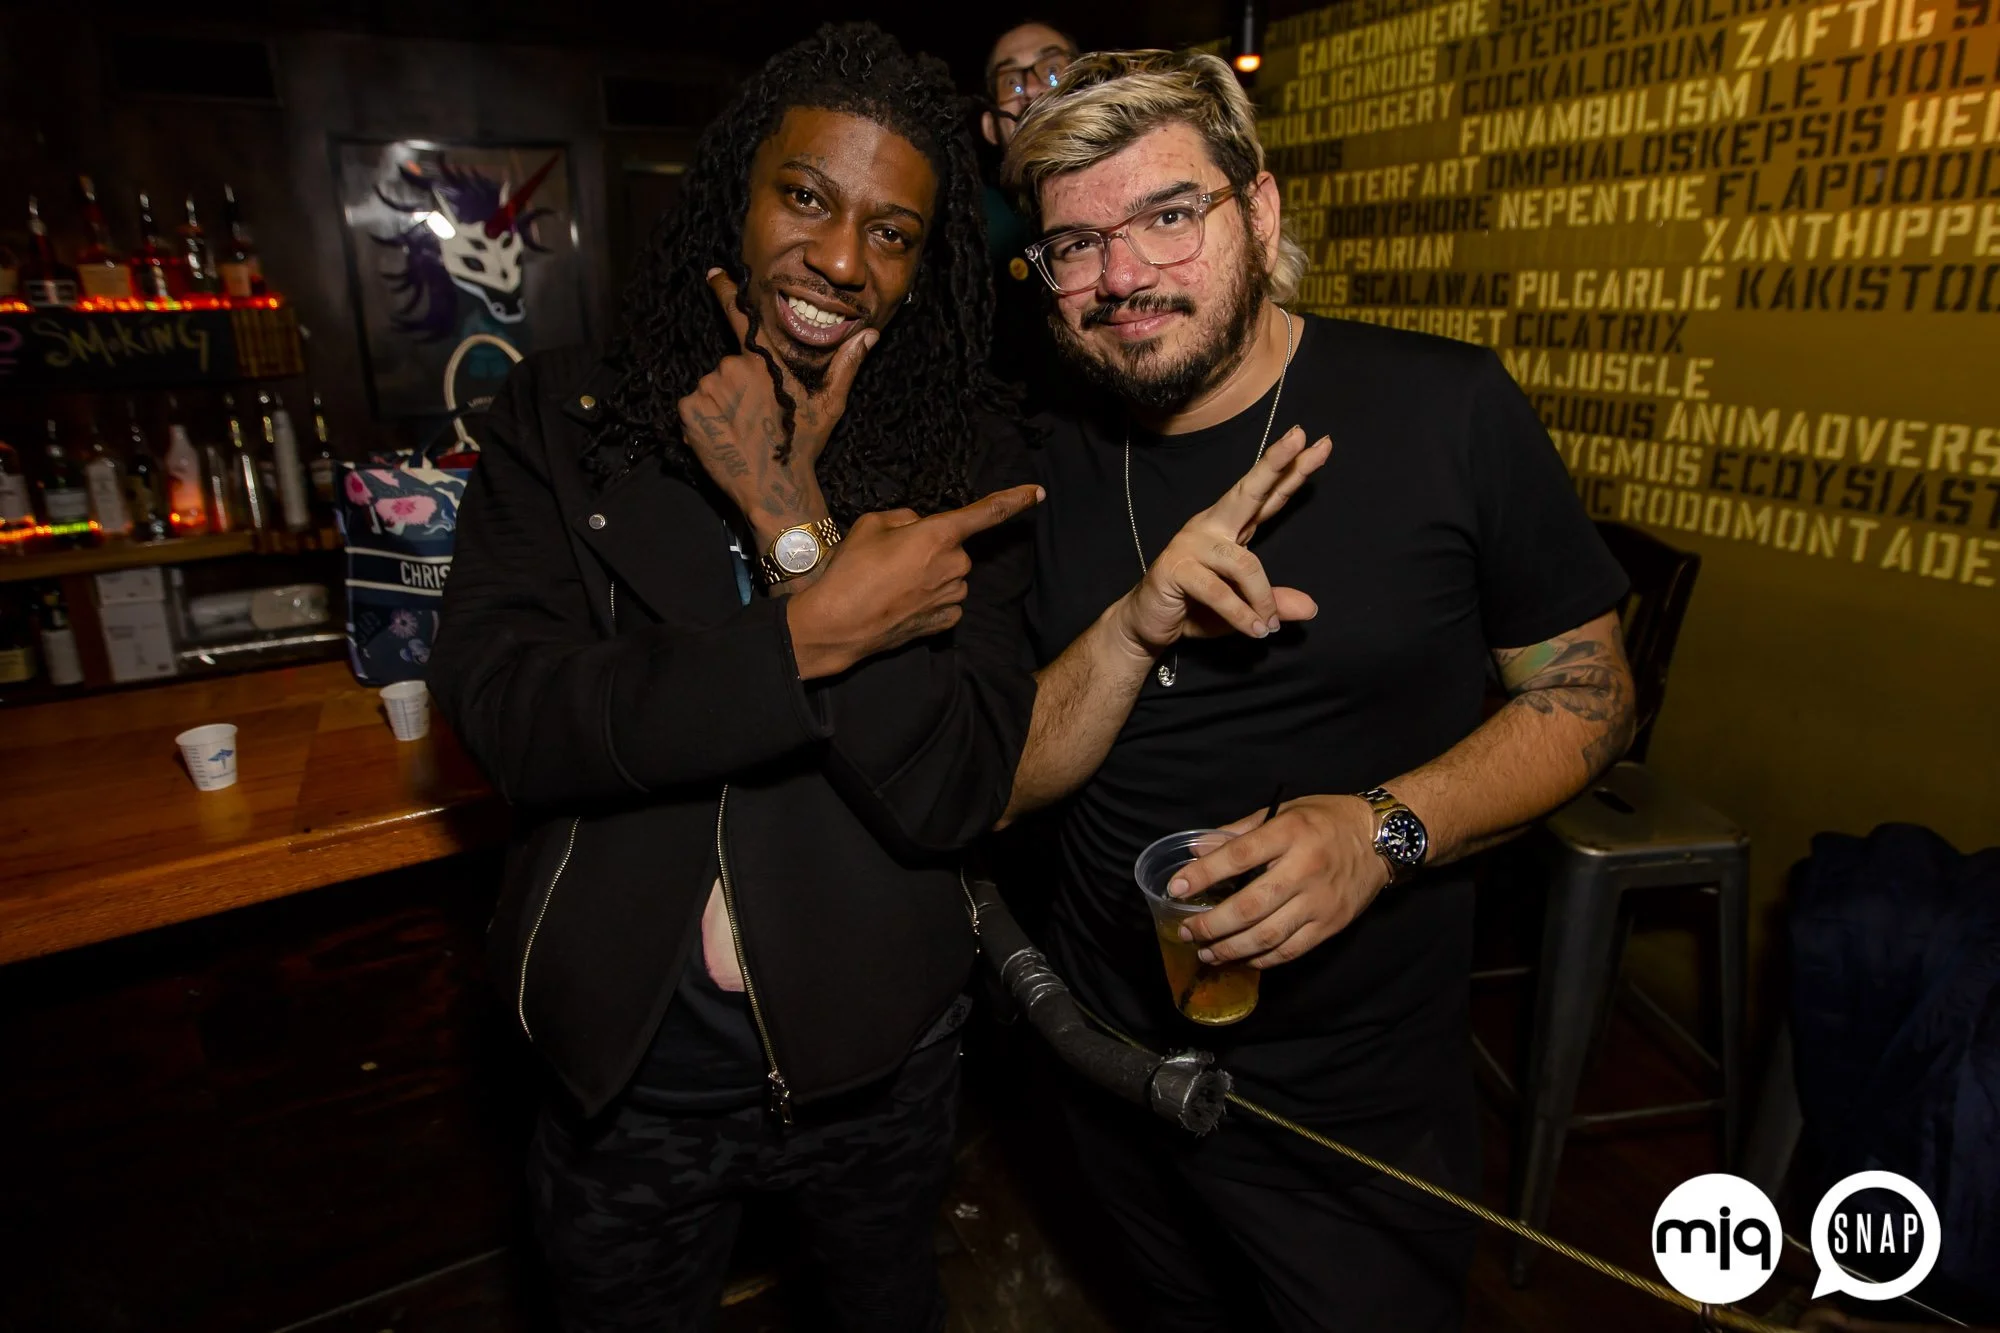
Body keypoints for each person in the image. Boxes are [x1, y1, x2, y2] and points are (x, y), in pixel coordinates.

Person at [998, 49, 1639, 1331]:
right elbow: (1001, 778)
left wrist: (1377, 833)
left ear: (1260, 208)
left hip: (1355, 1105)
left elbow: (1592, 693)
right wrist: (1131, 621)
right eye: (1074, 244)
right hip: (1108, 1060)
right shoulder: (1030, 451)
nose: (1121, 276)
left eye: (1167, 215)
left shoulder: (1445, 408)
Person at [428, 24, 1042, 1332]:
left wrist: (784, 513)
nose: (841, 260)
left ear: (925, 269)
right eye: (806, 197)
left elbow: (955, 785)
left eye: (892, 232)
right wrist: (801, 643)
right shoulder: (567, 419)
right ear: (734, 195)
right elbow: (515, 719)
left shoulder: (969, 456)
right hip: (629, 1080)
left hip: (883, 1067)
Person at [976, 21, 1081, 409]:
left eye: (1052, 71)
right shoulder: (968, 231)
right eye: (1011, 82)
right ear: (991, 127)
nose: (1033, 89)